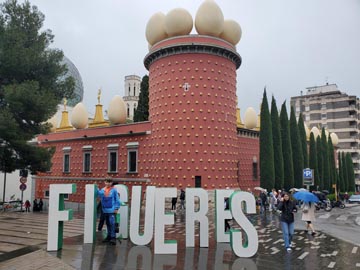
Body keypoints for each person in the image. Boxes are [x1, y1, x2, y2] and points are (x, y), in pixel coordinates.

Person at [96, 178, 121, 245]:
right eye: (107, 182)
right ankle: (109, 236)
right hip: (105, 210)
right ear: (105, 182)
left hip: (112, 210)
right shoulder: (103, 190)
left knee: (112, 224)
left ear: (112, 183)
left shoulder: (114, 191)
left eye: (110, 182)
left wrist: (116, 208)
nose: (108, 183)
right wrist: (96, 188)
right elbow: (98, 194)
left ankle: (113, 237)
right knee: (107, 224)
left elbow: (117, 200)